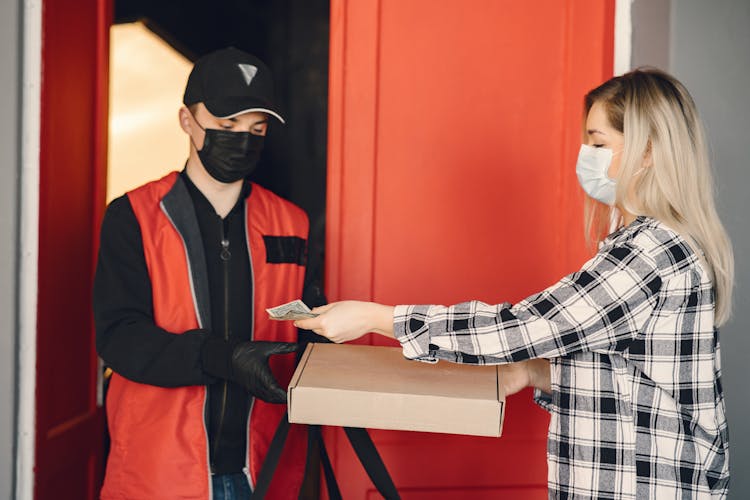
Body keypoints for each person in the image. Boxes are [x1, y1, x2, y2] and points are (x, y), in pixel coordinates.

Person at [296, 68, 733, 499]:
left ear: (648, 151)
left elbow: (520, 328)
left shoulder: (647, 255)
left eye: (599, 144)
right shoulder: (651, 245)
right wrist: (531, 371)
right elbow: (629, 379)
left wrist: (376, 317)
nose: (586, 155)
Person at [94, 47, 324, 499]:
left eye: (255, 128)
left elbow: (310, 334)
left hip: (263, 466)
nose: (242, 139)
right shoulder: (133, 216)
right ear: (186, 120)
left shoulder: (292, 224)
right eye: (226, 125)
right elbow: (120, 337)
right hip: (160, 470)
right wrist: (223, 358)